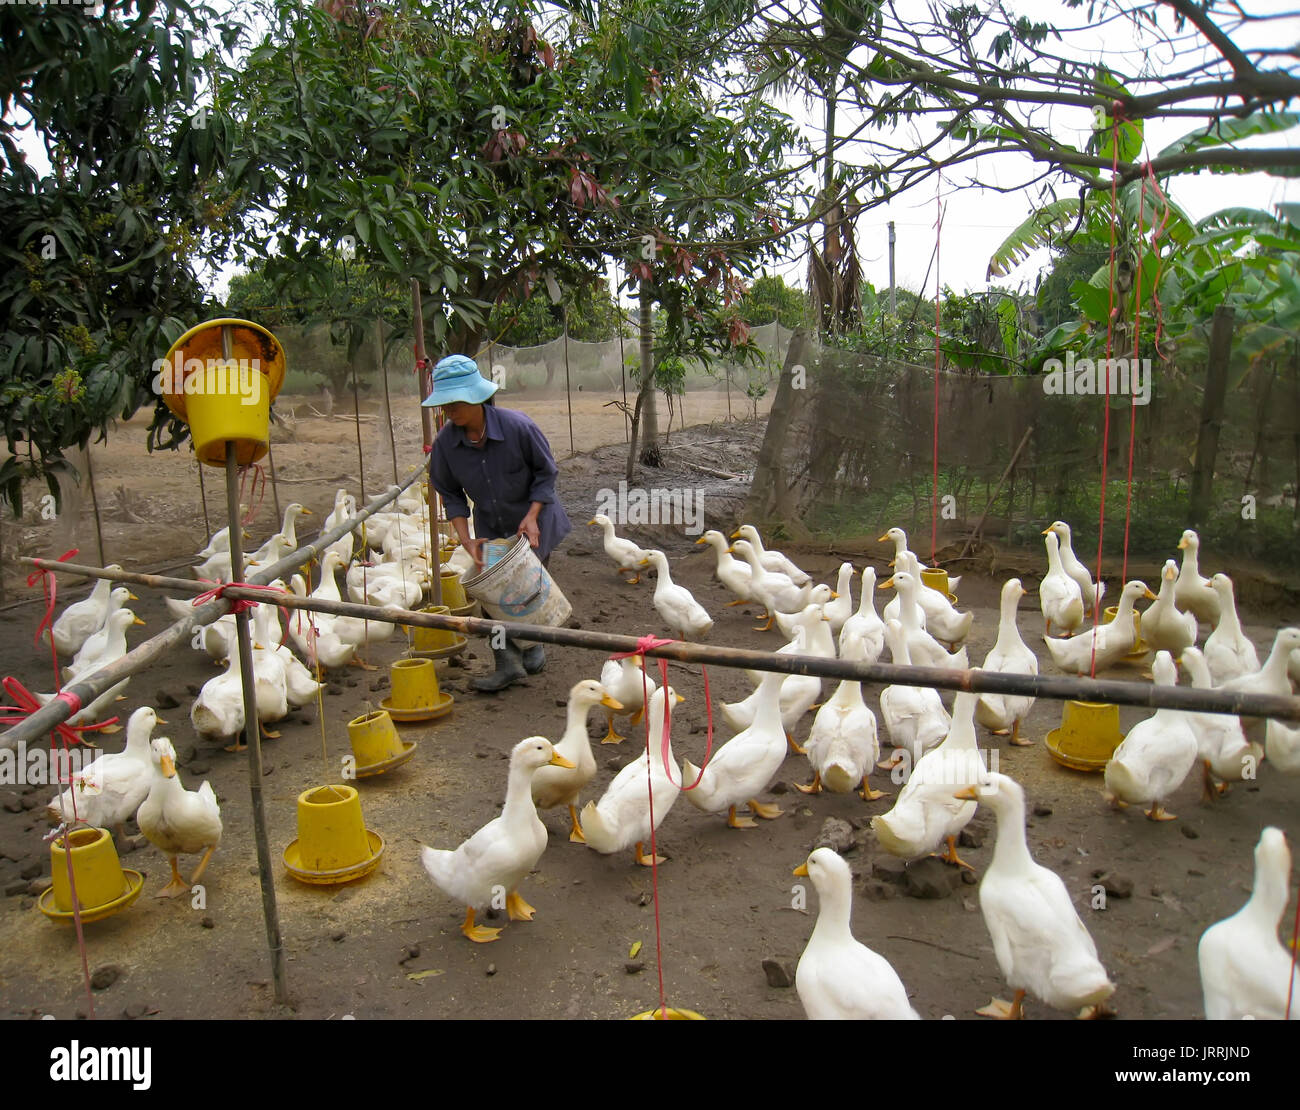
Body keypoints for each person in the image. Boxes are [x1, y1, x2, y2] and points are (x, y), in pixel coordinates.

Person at [424, 354, 571, 692]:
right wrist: (465, 539)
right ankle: (506, 663)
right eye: (445, 403)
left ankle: (533, 645)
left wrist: (532, 517)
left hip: (534, 522)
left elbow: (546, 473)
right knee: (493, 599)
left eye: (455, 402)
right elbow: (450, 492)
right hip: (490, 526)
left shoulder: (519, 427)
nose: (449, 410)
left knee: (525, 589)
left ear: (477, 397)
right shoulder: (447, 444)